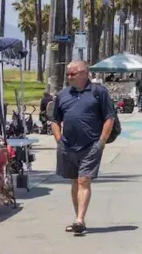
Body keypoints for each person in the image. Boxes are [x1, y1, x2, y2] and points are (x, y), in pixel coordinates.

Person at [51, 60, 115, 236]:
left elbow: (110, 117)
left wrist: (101, 142)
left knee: (83, 180)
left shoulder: (98, 92)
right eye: (68, 74)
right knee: (74, 181)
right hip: (68, 146)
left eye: (73, 73)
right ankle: (79, 218)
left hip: (91, 145)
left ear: (85, 73)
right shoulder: (62, 95)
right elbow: (55, 120)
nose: (69, 76)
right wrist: (59, 140)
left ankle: (79, 219)